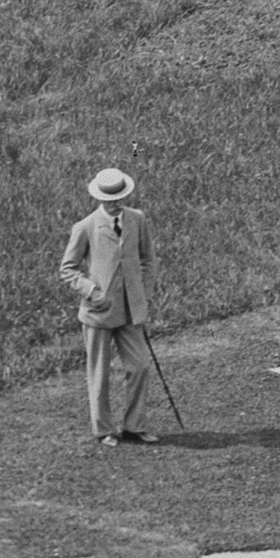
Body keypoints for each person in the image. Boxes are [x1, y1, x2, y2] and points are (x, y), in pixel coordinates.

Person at [60, 168, 175, 444]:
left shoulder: (137, 220)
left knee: (139, 366)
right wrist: (91, 291)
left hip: (131, 310)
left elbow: (149, 260)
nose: (115, 203)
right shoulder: (85, 226)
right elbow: (68, 269)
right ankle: (103, 429)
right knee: (99, 375)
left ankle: (134, 426)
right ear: (99, 198)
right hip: (99, 313)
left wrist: (144, 295)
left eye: (120, 197)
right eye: (110, 199)